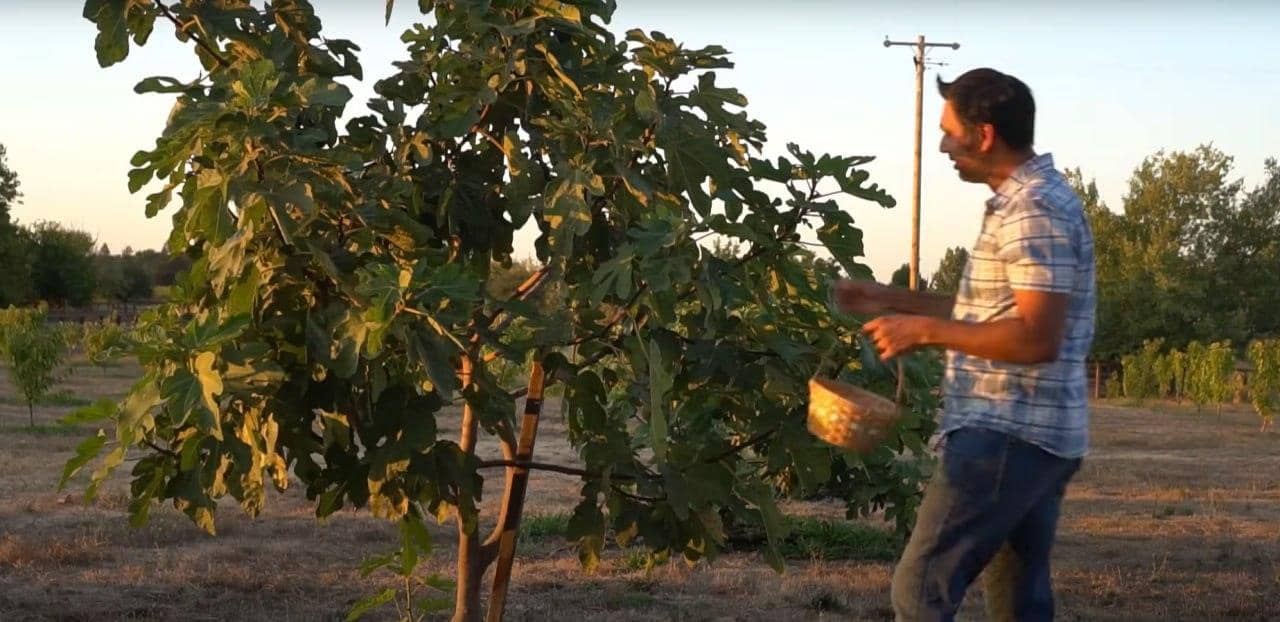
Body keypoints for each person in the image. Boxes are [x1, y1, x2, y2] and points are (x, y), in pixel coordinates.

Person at [833, 67, 1096, 621]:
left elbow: (1037, 337)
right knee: (1018, 597)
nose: (944, 144)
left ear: (985, 135)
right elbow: (991, 316)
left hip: (1007, 433)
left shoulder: (1033, 211)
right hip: (1033, 437)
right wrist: (890, 299)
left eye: (951, 131)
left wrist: (924, 331)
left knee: (919, 589)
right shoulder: (1024, 202)